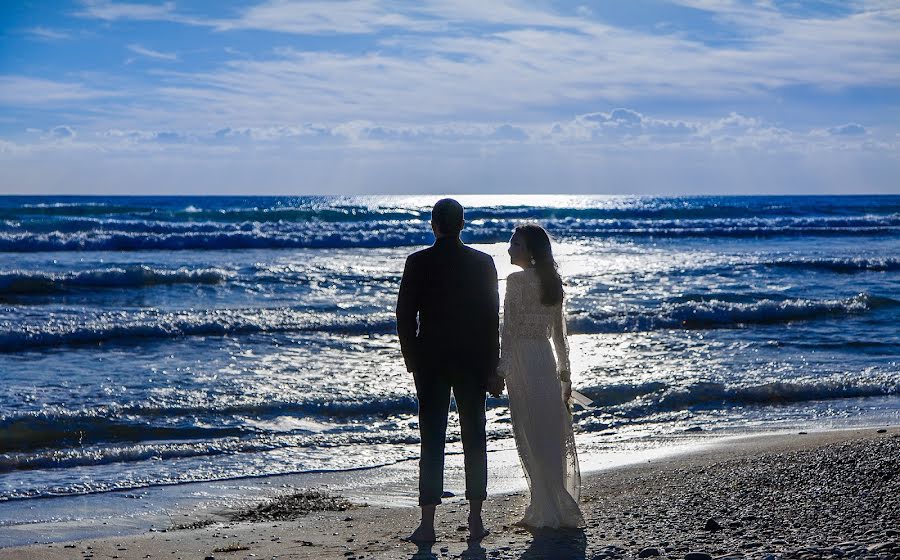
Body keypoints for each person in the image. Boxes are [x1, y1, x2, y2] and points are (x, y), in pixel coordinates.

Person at [396, 198, 505, 543]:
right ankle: (475, 519)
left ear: (434, 224)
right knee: (474, 435)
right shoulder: (483, 262)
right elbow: (491, 319)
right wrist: (493, 367)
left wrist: (412, 358)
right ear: (462, 224)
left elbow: (404, 315)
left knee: (432, 439)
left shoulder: (418, 262)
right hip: (473, 362)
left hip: (431, 362)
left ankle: (428, 524)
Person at [499, 224, 585, 529]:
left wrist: (501, 368)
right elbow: (560, 337)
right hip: (545, 360)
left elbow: (508, 330)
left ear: (531, 251)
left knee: (529, 432)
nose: (510, 249)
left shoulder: (516, 281)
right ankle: (545, 505)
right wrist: (565, 375)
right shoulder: (552, 283)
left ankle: (543, 508)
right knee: (547, 433)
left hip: (523, 361)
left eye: (516, 245)